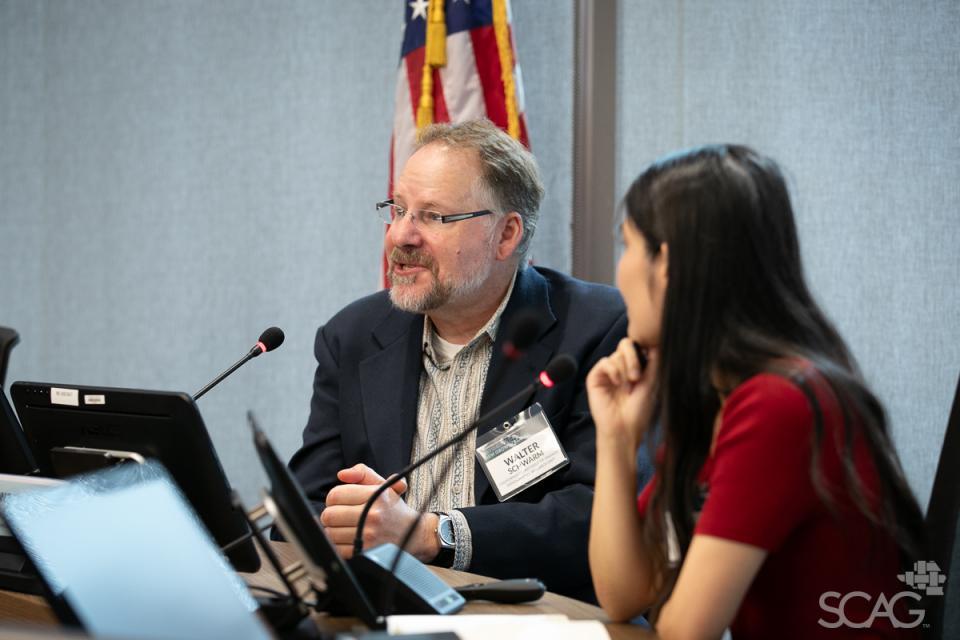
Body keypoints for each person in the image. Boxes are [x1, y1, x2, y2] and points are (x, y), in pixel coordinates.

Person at [586, 145, 925, 637]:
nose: (618, 271)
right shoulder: (719, 396)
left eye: (627, 245)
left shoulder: (778, 405)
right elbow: (624, 594)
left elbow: (686, 631)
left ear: (669, 265)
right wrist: (616, 439)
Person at [288, 119, 628, 601]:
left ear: (505, 235)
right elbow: (309, 501)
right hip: (391, 615)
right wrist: (346, 518)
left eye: (432, 217)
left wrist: (433, 534)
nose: (401, 236)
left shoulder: (597, 329)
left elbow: (598, 515)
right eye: (399, 209)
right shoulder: (353, 336)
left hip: (540, 614)